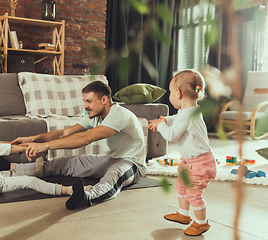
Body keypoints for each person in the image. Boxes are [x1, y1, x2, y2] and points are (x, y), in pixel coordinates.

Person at [12, 80, 147, 210]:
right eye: (84, 102)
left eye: (89, 101)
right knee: (71, 162)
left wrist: (45, 146)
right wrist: (31, 139)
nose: (85, 106)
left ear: (104, 100)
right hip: (110, 159)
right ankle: (15, 167)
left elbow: (86, 138)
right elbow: (63, 133)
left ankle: (86, 197)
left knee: (114, 175)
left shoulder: (119, 115)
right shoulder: (94, 116)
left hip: (132, 164)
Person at [147, 69, 217, 236]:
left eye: (171, 92)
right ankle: (183, 215)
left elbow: (171, 135)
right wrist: (165, 120)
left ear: (178, 93)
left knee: (193, 194)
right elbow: (177, 120)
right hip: (190, 162)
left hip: (200, 164)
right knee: (181, 187)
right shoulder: (189, 111)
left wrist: (160, 125)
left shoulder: (187, 115)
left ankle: (201, 223)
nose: (170, 95)